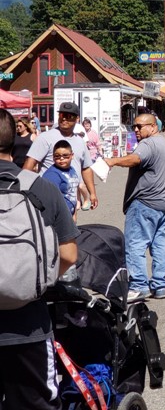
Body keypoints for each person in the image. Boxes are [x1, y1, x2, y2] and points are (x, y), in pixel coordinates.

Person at [0, 108, 79, 410]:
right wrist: (39, 279)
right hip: (29, 326)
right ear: (15, 142)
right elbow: (70, 254)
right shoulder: (40, 187)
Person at [106, 112, 165, 302]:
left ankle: (139, 285)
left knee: (135, 245)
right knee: (160, 246)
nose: (136, 130)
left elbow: (136, 159)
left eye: (140, 126)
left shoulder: (148, 144)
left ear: (153, 127)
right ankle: (159, 285)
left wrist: (112, 161)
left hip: (146, 203)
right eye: (134, 126)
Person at [23, 102, 98, 211]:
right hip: (49, 198)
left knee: (71, 226)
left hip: (71, 198)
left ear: (77, 119)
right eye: (62, 115)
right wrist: (23, 189)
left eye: (69, 116)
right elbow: (30, 163)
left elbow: (86, 168)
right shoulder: (45, 138)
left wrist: (92, 193)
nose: (64, 119)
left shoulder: (80, 142)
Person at [42, 139, 80, 224]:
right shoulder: (52, 175)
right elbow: (51, 201)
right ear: (53, 157)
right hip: (59, 219)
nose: (61, 159)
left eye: (65, 155)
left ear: (72, 155)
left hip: (70, 215)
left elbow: (73, 192)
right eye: (57, 156)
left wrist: (74, 215)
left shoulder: (72, 170)